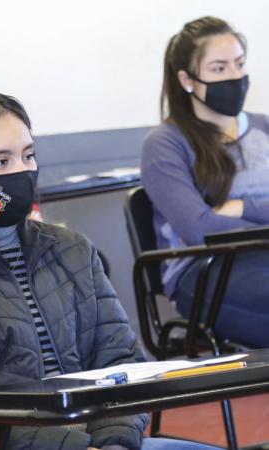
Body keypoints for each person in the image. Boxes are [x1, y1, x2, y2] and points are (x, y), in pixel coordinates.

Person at [0, 91, 219, 450]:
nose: (21, 171)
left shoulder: (72, 249)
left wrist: (114, 442)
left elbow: (123, 363)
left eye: (28, 156)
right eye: (0, 162)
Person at [141, 16, 269, 348]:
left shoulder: (264, 127)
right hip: (204, 271)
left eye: (239, 63)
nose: (235, 76)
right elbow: (200, 228)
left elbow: (217, 220)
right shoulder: (165, 144)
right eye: (219, 68)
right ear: (187, 79)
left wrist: (242, 207)